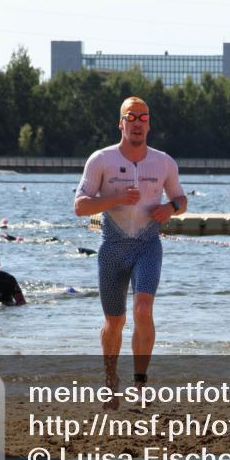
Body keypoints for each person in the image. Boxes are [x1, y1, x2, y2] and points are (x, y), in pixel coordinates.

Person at [74, 96, 187, 409]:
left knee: (143, 308)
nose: (137, 123)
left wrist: (170, 207)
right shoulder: (101, 159)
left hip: (148, 245)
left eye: (143, 117)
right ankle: (111, 379)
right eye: (131, 117)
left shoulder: (164, 162)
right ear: (120, 123)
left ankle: (139, 383)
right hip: (112, 247)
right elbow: (80, 206)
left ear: (149, 124)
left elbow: (181, 199)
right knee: (114, 322)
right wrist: (116, 198)